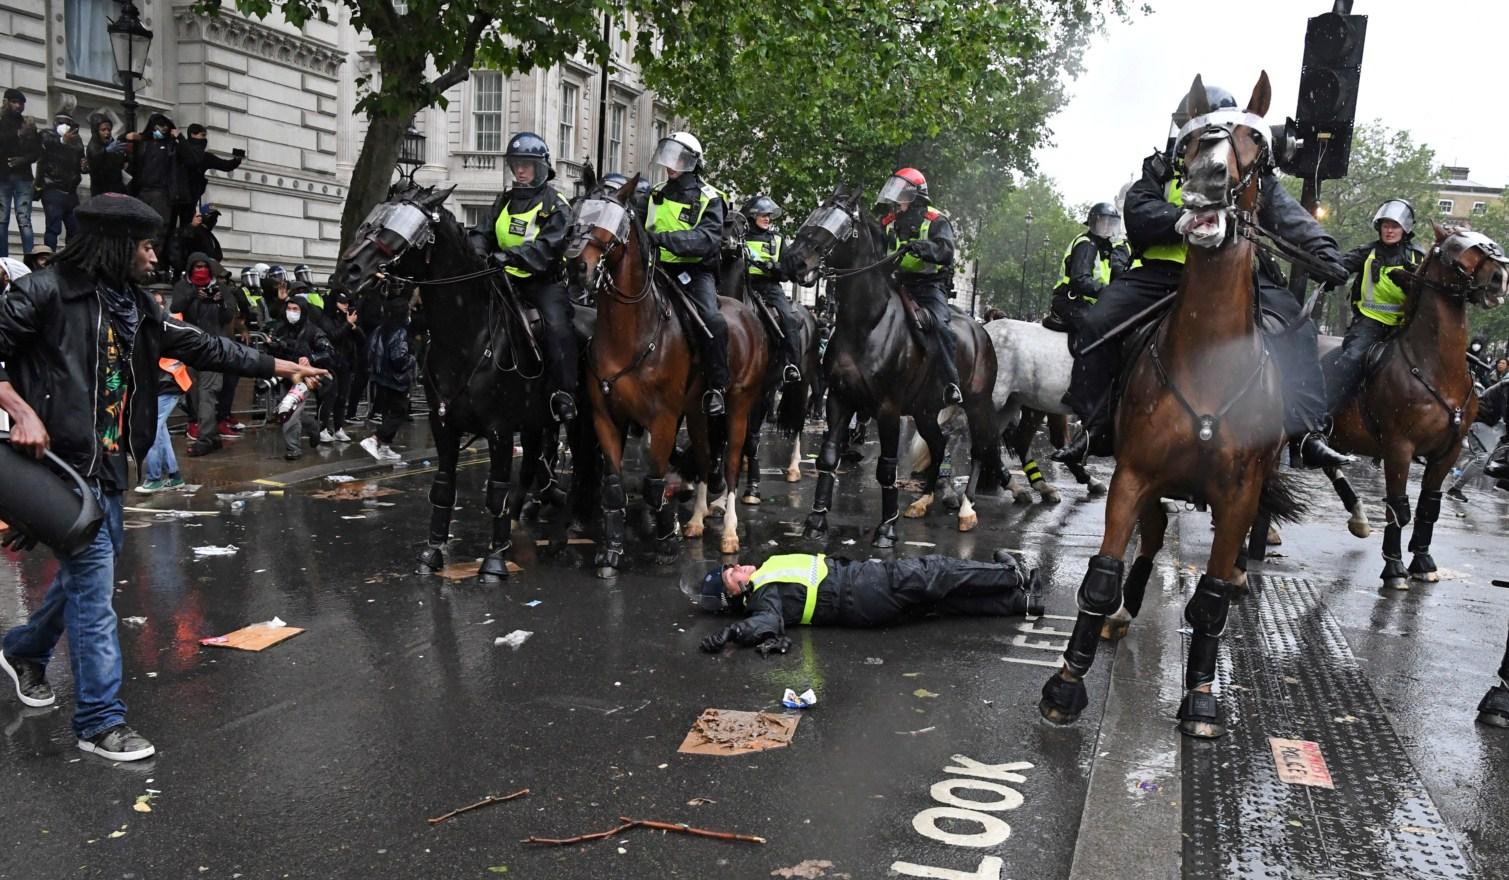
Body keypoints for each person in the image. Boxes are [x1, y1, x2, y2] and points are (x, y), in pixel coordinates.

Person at [0, 192, 326, 760]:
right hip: (55, 468)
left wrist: (288, 367)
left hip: (106, 467)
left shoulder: (134, 306)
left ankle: (25, 650)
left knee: (84, 576)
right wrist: (19, 408)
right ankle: (100, 721)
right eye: (147, 246)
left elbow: (205, 346)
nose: (155, 257)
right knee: (95, 589)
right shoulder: (42, 292)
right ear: (117, 245)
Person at [1056, 82, 1352, 469]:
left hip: (1235, 277)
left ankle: (1308, 432)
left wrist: (1325, 252)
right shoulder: (1161, 167)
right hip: (1163, 273)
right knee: (1096, 323)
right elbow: (1139, 210)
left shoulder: (1248, 168)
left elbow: (1288, 215)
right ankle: (1094, 425)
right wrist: (1178, 218)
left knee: (1299, 329)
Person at [695, 550, 1043, 654]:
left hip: (863, 598)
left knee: (941, 603)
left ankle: (1019, 603)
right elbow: (767, 623)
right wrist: (732, 633)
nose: (738, 567)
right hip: (864, 588)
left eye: (732, 567)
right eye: (733, 576)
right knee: (936, 572)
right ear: (736, 596)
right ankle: (1010, 575)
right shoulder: (761, 594)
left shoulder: (764, 577)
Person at [471, 133, 577, 422]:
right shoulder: (504, 200)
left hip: (542, 282)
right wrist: (479, 251)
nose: (520, 170)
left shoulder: (556, 204)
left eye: (527, 165)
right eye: (516, 164)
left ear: (540, 167)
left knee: (557, 326)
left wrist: (512, 256)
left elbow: (549, 246)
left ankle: (563, 393)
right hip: (502, 278)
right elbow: (483, 231)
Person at [646, 131, 730, 416]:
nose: (671, 164)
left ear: (692, 162)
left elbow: (707, 239)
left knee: (712, 320)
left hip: (694, 272)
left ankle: (717, 387)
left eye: (678, 158)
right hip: (656, 269)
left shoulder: (711, 198)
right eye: (668, 157)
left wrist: (664, 239)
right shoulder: (654, 193)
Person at [1326, 199, 1425, 411]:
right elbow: (1339, 266)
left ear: (1405, 228)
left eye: (1394, 226)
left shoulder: (1419, 257)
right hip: (1370, 323)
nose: (1389, 230)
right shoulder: (1367, 252)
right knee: (1351, 360)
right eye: (1385, 225)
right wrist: (1328, 272)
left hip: (1407, 326)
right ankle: (1326, 414)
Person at [876, 167, 962, 405]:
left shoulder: (936, 221)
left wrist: (923, 248)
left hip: (928, 285)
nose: (896, 199)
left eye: (901, 194)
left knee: (942, 328)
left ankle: (950, 383)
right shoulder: (889, 221)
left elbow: (946, 251)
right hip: (895, 282)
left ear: (915, 196)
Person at [172, 251, 240, 455]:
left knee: (207, 394)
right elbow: (176, 307)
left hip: (213, 347)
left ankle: (206, 437)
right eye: (197, 267)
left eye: (204, 266)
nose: (200, 270)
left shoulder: (221, 288)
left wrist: (219, 301)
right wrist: (194, 295)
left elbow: (229, 315)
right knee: (194, 394)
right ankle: (208, 433)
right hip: (190, 346)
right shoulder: (183, 287)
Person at [264, 295, 334, 460]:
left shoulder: (313, 331)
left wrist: (311, 358)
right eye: (289, 309)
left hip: (303, 378)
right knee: (284, 409)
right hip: (284, 375)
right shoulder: (280, 328)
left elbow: (328, 352)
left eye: (296, 309)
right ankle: (313, 427)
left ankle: (293, 448)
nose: (291, 313)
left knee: (291, 411)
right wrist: (272, 346)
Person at [742, 195, 802, 384]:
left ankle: (791, 364)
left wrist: (773, 267)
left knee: (789, 317)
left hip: (769, 287)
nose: (767, 218)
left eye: (768, 215)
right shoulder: (741, 238)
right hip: (744, 285)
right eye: (763, 214)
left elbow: (786, 272)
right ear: (752, 216)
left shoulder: (777, 239)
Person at [137, 283, 189, 493]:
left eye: (160, 303)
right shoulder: (146, 325)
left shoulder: (165, 326)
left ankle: (154, 477)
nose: (158, 307)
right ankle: (174, 476)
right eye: (154, 303)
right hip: (160, 384)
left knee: (150, 428)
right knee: (160, 431)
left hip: (168, 383)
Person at [1046, 202, 1121, 334]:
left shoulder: (1105, 249)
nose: (1107, 227)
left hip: (1087, 303)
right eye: (1103, 222)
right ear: (1093, 224)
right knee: (1098, 329)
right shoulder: (1086, 245)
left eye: (1111, 223)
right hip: (1070, 301)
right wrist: (1108, 292)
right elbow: (1080, 279)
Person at [126, 113, 186, 275]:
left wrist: (179, 138)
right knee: (139, 227)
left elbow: (188, 157)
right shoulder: (144, 143)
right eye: (160, 126)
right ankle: (136, 262)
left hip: (162, 192)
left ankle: (153, 264)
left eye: (166, 127)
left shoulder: (171, 146)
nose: (162, 130)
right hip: (143, 190)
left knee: (159, 229)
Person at [361, 297, 414, 463]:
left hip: (380, 378)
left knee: (388, 413)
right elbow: (399, 359)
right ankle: (375, 439)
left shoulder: (380, 329)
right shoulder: (400, 332)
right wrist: (411, 359)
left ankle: (385, 447)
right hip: (396, 380)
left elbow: (369, 351)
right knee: (399, 412)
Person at [0, 88, 39, 259]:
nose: (18, 106)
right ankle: (3, 260)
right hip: (3, 177)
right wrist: (17, 135)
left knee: (24, 220)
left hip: (23, 178)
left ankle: (29, 258)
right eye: (15, 102)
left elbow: (37, 152)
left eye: (21, 103)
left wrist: (22, 160)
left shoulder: (28, 125)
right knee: (2, 220)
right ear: (6, 102)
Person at [319, 291, 362, 443]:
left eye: (347, 303)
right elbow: (333, 335)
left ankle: (338, 428)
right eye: (342, 302)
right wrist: (347, 324)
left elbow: (361, 338)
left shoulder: (346, 318)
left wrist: (353, 327)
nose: (346, 306)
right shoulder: (326, 319)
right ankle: (322, 428)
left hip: (345, 362)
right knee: (330, 396)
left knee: (342, 397)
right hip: (330, 362)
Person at [36, 114, 84, 250]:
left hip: (71, 192)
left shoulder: (77, 141)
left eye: (69, 123)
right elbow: (46, 146)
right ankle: (48, 260)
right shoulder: (47, 135)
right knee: (53, 228)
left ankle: (71, 261)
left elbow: (81, 162)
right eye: (63, 123)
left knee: (75, 230)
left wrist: (85, 166)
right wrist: (63, 140)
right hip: (53, 189)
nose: (66, 126)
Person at [178, 124, 243, 215]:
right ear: (193, 134)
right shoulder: (182, 151)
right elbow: (225, 165)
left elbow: (225, 165)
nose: (205, 139)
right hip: (184, 194)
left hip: (184, 195)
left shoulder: (202, 156)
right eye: (202, 135)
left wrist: (236, 160)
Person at [85, 114, 128, 197]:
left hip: (116, 189)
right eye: (103, 130)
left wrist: (122, 154)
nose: (107, 132)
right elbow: (94, 160)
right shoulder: (93, 145)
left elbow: (120, 165)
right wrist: (106, 151)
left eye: (109, 130)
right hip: (101, 191)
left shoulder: (112, 143)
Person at [175, 203, 224, 272]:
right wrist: (192, 226)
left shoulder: (209, 234)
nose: (214, 220)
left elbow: (218, 255)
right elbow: (184, 242)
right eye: (212, 216)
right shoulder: (195, 231)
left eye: (216, 217)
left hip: (210, 271)